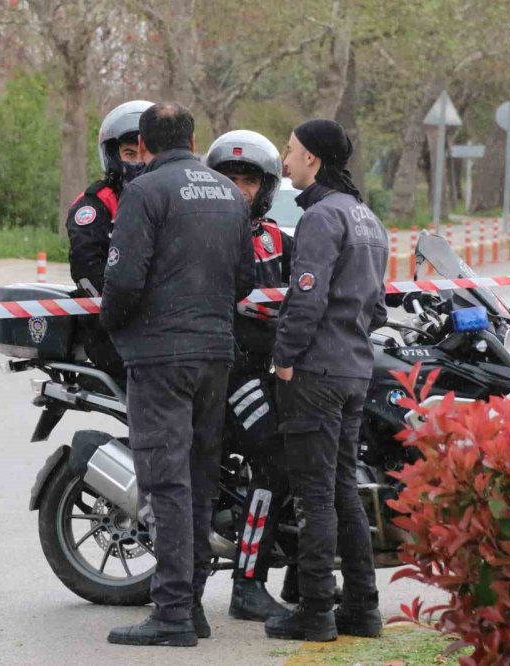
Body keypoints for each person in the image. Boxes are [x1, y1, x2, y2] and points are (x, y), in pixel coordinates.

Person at [100, 103, 254, 647]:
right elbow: (246, 277)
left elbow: (122, 281)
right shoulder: (229, 192)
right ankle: (190, 607)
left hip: (161, 357)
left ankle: (170, 615)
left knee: (166, 482)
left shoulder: (144, 191)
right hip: (215, 354)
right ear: (193, 138)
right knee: (199, 480)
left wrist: (115, 330)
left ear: (142, 144)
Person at [264, 119, 388, 642]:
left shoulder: (319, 216)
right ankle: (362, 608)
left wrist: (285, 358)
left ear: (313, 159)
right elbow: (378, 307)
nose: (284, 162)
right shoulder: (366, 217)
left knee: (314, 496)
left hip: (316, 371)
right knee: (341, 491)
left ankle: (315, 611)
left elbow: (306, 296)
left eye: (290, 152)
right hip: (356, 369)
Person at [204, 130, 292, 622]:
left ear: (267, 187)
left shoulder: (281, 240)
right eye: (229, 178)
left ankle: (305, 569)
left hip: (278, 370)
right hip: (232, 372)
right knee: (275, 460)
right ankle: (247, 583)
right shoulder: (201, 238)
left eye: (249, 180)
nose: (239, 188)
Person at [67, 100, 153, 378]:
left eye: (145, 153)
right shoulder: (95, 205)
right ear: (113, 156)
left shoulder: (171, 200)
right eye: (129, 153)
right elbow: (86, 268)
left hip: (166, 324)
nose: (138, 162)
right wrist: (124, 313)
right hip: (110, 328)